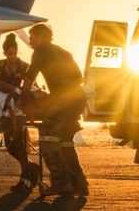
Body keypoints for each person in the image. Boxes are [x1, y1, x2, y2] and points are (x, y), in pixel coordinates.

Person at [20, 23, 89, 197]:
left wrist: (21, 96)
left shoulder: (41, 50)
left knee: (48, 136)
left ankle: (61, 183)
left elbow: (30, 75)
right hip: (77, 98)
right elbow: (79, 76)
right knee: (65, 141)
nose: (30, 41)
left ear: (42, 37)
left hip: (64, 99)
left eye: (32, 37)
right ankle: (79, 183)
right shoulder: (63, 52)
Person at [0, 33, 42, 193]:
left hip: (20, 109)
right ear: (4, 54)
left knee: (19, 144)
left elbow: (32, 85)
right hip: (4, 109)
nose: (13, 56)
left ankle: (26, 177)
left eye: (15, 53)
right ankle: (31, 168)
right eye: (10, 54)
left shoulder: (25, 66)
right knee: (10, 147)